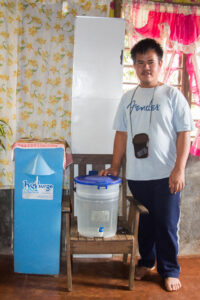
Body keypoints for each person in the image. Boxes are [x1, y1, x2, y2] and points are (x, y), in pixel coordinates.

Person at [99, 38, 193, 292]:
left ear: (160, 64)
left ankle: (169, 270)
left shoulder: (172, 95)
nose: (145, 67)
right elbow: (121, 133)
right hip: (139, 176)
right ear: (134, 67)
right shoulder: (127, 98)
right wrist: (115, 166)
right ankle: (147, 261)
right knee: (145, 224)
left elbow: (185, 133)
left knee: (166, 223)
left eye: (150, 62)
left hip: (166, 175)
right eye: (140, 63)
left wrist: (179, 169)